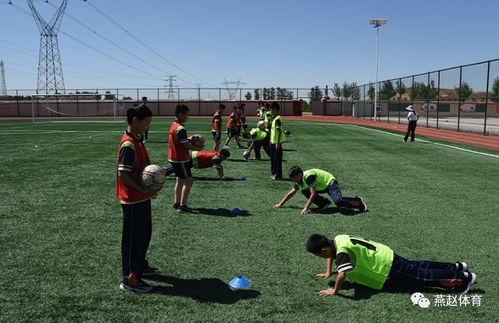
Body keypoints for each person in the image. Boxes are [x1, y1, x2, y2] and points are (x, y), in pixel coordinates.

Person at [305, 233, 477, 296]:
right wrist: (328, 271)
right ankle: (456, 267)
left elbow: (342, 274)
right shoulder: (337, 239)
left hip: (385, 266)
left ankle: (464, 278)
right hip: (385, 254)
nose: (322, 257)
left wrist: (334, 291)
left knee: (420, 276)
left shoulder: (340, 253)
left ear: (323, 250)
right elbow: (332, 256)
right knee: (418, 266)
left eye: (319, 255)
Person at [116, 105, 161, 293]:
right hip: (132, 199)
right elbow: (123, 174)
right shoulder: (129, 144)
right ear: (135, 121)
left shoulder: (138, 140)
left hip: (141, 197)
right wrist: (142, 187)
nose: (147, 127)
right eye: (146, 123)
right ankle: (130, 279)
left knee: (144, 236)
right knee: (133, 240)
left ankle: (140, 266)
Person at [274, 166, 368, 214]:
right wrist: (280, 204)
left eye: (294, 178)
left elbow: (313, 193)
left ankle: (358, 202)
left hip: (330, 183)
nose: (293, 181)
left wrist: (306, 208)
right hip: (321, 187)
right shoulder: (300, 181)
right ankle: (323, 204)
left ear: (299, 175)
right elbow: (291, 193)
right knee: (304, 190)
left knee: (339, 202)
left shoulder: (308, 177)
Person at [168, 104, 202, 213]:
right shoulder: (180, 128)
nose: (188, 116)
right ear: (180, 114)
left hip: (173, 157)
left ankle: (176, 203)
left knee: (179, 180)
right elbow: (186, 145)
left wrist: (188, 138)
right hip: (180, 158)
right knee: (189, 181)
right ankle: (183, 205)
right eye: (186, 114)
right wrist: (198, 148)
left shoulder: (174, 125)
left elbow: (180, 140)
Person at [164, 148, 231, 180]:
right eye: (225, 157)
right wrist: (221, 177)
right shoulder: (216, 157)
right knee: (180, 169)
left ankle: (165, 170)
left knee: (180, 168)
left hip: (194, 157)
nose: (225, 159)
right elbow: (218, 167)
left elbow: (219, 166)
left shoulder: (217, 154)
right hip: (193, 158)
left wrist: (221, 176)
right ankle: (164, 172)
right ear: (222, 155)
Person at [269, 102, 285, 180]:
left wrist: (278, 143)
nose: (270, 110)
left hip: (276, 143)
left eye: (271, 109)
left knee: (277, 160)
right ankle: (274, 173)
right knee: (273, 159)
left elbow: (279, 131)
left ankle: (278, 175)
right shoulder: (275, 118)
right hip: (273, 143)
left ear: (275, 109)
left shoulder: (278, 119)